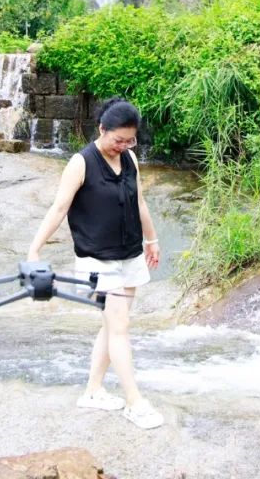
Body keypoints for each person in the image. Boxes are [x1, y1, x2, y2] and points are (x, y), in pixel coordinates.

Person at [26, 97, 164, 430]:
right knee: (119, 327)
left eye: (130, 140)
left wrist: (152, 239)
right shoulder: (81, 162)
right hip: (97, 260)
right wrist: (34, 251)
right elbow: (59, 209)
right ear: (102, 129)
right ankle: (134, 402)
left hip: (129, 254)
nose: (124, 145)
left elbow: (139, 201)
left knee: (112, 326)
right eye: (118, 139)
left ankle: (93, 390)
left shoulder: (129, 158)